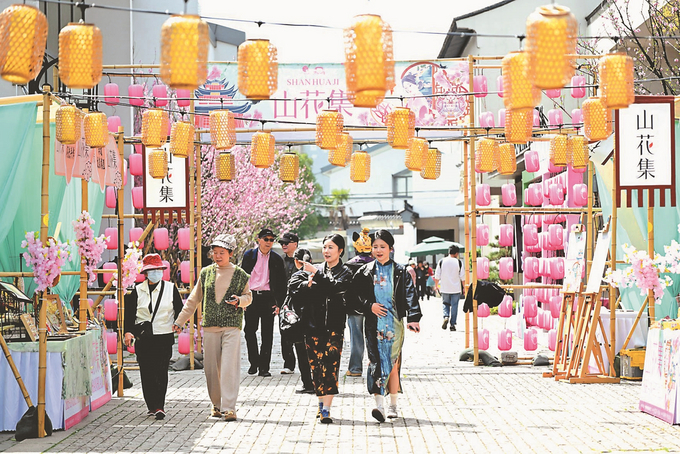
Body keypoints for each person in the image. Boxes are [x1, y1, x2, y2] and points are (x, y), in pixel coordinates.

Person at [173, 234, 252, 422]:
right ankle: (216, 404)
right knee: (211, 369)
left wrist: (239, 301)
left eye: (221, 252)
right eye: (215, 252)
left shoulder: (240, 274)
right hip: (210, 328)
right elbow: (193, 300)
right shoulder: (206, 273)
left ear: (230, 253)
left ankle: (229, 408)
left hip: (231, 326)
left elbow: (249, 297)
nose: (217, 256)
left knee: (229, 367)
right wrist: (179, 321)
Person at [353, 230, 421, 422]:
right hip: (373, 324)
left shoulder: (401, 271)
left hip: (394, 324)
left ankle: (393, 405)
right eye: (375, 246)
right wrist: (369, 306)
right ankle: (379, 406)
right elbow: (353, 296)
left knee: (392, 364)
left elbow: (410, 294)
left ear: (391, 248)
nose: (378, 250)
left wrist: (413, 317)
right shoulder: (364, 272)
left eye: (382, 246)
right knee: (376, 362)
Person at [297, 234, 352, 424]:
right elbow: (300, 292)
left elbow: (334, 288)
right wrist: (306, 283)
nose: (326, 251)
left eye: (331, 247)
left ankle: (326, 409)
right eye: (325, 247)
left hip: (334, 327)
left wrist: (316, 274)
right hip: (313, 325)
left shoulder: (345, 272)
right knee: (316, 368)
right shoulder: (317, 269)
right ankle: (320, 405)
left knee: (331, 368)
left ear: (340, 251)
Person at [124, 253, 184, 420]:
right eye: (152, 270)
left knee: (161, 371)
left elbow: (180, 309)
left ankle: (159, 405)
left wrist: (179, 324)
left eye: (158, 270)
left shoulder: (170, 288)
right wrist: (128, 332)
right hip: (144, 337)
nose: (156, 273)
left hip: (164, 335)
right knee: (146, 371)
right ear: (145, 273)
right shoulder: (137, 290)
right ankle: (151, 404)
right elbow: (129, 315)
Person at [241, 228, 286, 377]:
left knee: (267, 334)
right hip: (251, 297)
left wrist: (279, 303)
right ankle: (254, 362)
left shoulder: (276, 259)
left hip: (268, 298)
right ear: (258, 240)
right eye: (266, 239)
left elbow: (282, 283)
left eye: (271, 240)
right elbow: (242, 277)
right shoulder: (249, 255)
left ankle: (264, 368)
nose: (268, 242)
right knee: (249, 331)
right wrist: (242, 299)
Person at [284, 248, 315, 394]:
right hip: (316, 320)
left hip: (300, 321)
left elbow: (292, 291)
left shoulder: (297, 276)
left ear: (296, 261)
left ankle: (308, 384)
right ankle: (318, 382)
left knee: (302, 353)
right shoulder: (318, 274)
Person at [344, 228, 374, 377]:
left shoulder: (348, 266)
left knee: (356, 338)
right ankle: (375, 365)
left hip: (354, 307)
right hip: (373, 307)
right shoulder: (376, 264)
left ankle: (355, 368)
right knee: (373, 336)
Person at [278, 232, 299, 375]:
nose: (283, 245)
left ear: (295, 244)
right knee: (284, 332)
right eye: (282, 243)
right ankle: (289, 364)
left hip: (300, 301)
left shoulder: (303, 259)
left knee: (301, 332)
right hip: (283, 302)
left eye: (287, 243)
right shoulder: (279, 260)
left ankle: (306, 361)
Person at [434, 245, 465, 331]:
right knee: (454, 306)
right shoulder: (459, 262)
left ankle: (446, 316)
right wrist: (464, 288)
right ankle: (452, 324)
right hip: (456, 288)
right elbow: (463, 277)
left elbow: (437, 275)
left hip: (445, 288)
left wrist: (436, 286)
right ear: (456, 253)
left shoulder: (442, 261)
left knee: (445, 304)